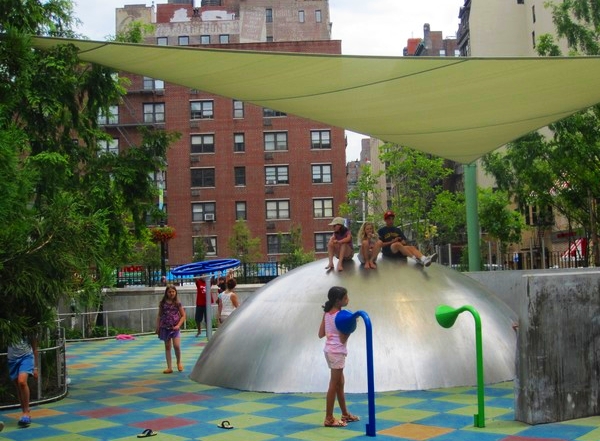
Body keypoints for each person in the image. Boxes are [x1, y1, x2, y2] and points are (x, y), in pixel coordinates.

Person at [318, 286, 359, 428]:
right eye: (346, 298)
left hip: (329, 351)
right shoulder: (341, 317)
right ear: (338, 301)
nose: (348, 299)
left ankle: (345, 414)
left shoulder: (327, 314)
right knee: (334, 384)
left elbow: (321, 334)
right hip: (337, 352)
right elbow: (342, 339)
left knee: (340, 383)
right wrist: (350, 327)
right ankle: (328, 418)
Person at [8, 334, 38, 428]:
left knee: (22, 382)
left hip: (26, 356)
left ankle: (26, 412)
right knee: (18, 385)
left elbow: (35, 348)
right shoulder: (9, 325)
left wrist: (35, 367)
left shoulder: (29, 327)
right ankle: (24, 411)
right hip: (12, 359)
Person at [156, 285, 186, 374]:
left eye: (173, 291)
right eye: (169, 292)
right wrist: (158, 327)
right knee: (167, 346)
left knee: (176, 345)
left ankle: (179, 362)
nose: (171, 293)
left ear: (176, 292)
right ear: (166, 293)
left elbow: (183, 315)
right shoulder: (163, 303)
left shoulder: (177, 303)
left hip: (175, 327)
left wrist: (178, 325)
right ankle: (169, 367)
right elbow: (159, 315)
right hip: (165, 327)